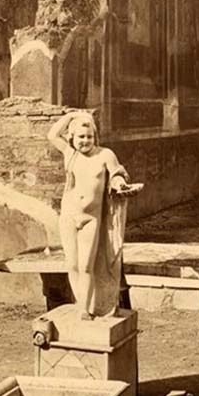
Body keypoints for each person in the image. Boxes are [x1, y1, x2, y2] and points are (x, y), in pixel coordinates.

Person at [47, 110, 132, 319]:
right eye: (81, 137)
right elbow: (52, 135)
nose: (85, 141)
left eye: (89, 136)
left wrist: (119, 183)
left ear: (95, 137)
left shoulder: (105, 155)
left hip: (90, 219)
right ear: (72, 138)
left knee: (86, 265)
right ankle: (83, 304)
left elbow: (117, 174)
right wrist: (73, 116)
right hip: (68, 216)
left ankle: (85, 310)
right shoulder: (71, 154)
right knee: (73, 265)